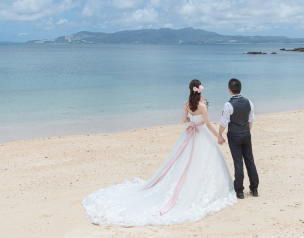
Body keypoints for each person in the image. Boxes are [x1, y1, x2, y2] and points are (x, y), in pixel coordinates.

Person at [83, 79, 237, 226]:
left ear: (191, 90)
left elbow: (184, 120)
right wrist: (218, 137)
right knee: (203, 161)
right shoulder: (202, 106)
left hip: (190, 134)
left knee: (183, 161)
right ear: (200, 90)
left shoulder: (186, 104)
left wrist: (192, 120)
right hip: (201, 134)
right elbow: (208, 124)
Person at [218, 78, 259, 198]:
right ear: (240, 89)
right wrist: (247, 132)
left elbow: (224, 122)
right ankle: (254, 189)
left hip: (234, 135)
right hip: (246, 134)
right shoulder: (249, 102)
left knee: (238, 162)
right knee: (250, 160)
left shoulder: (228, 105)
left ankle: (239, 191)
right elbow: (251, 120)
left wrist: (220, 135)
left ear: (229, 90)